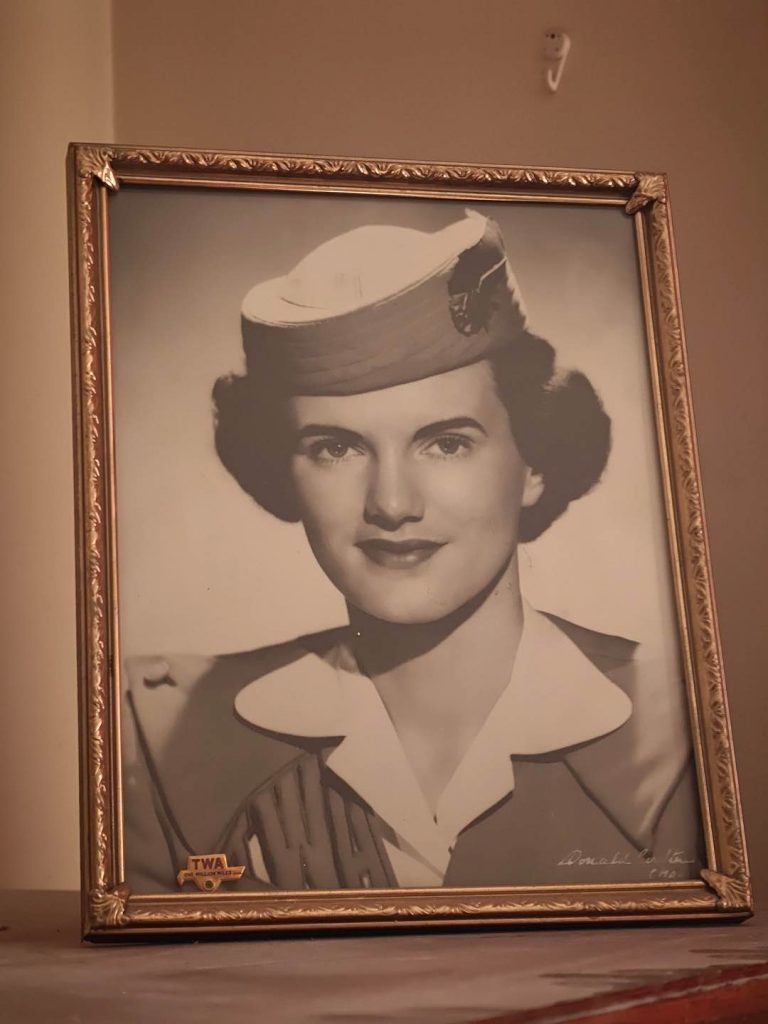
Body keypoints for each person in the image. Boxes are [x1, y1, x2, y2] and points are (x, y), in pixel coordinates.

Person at [123, 211, 704, 894]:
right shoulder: (160, 738)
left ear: (535, 463)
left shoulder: (685, 731)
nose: (392, 503)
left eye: (447, 442)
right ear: (284, 473)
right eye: (335, 448)